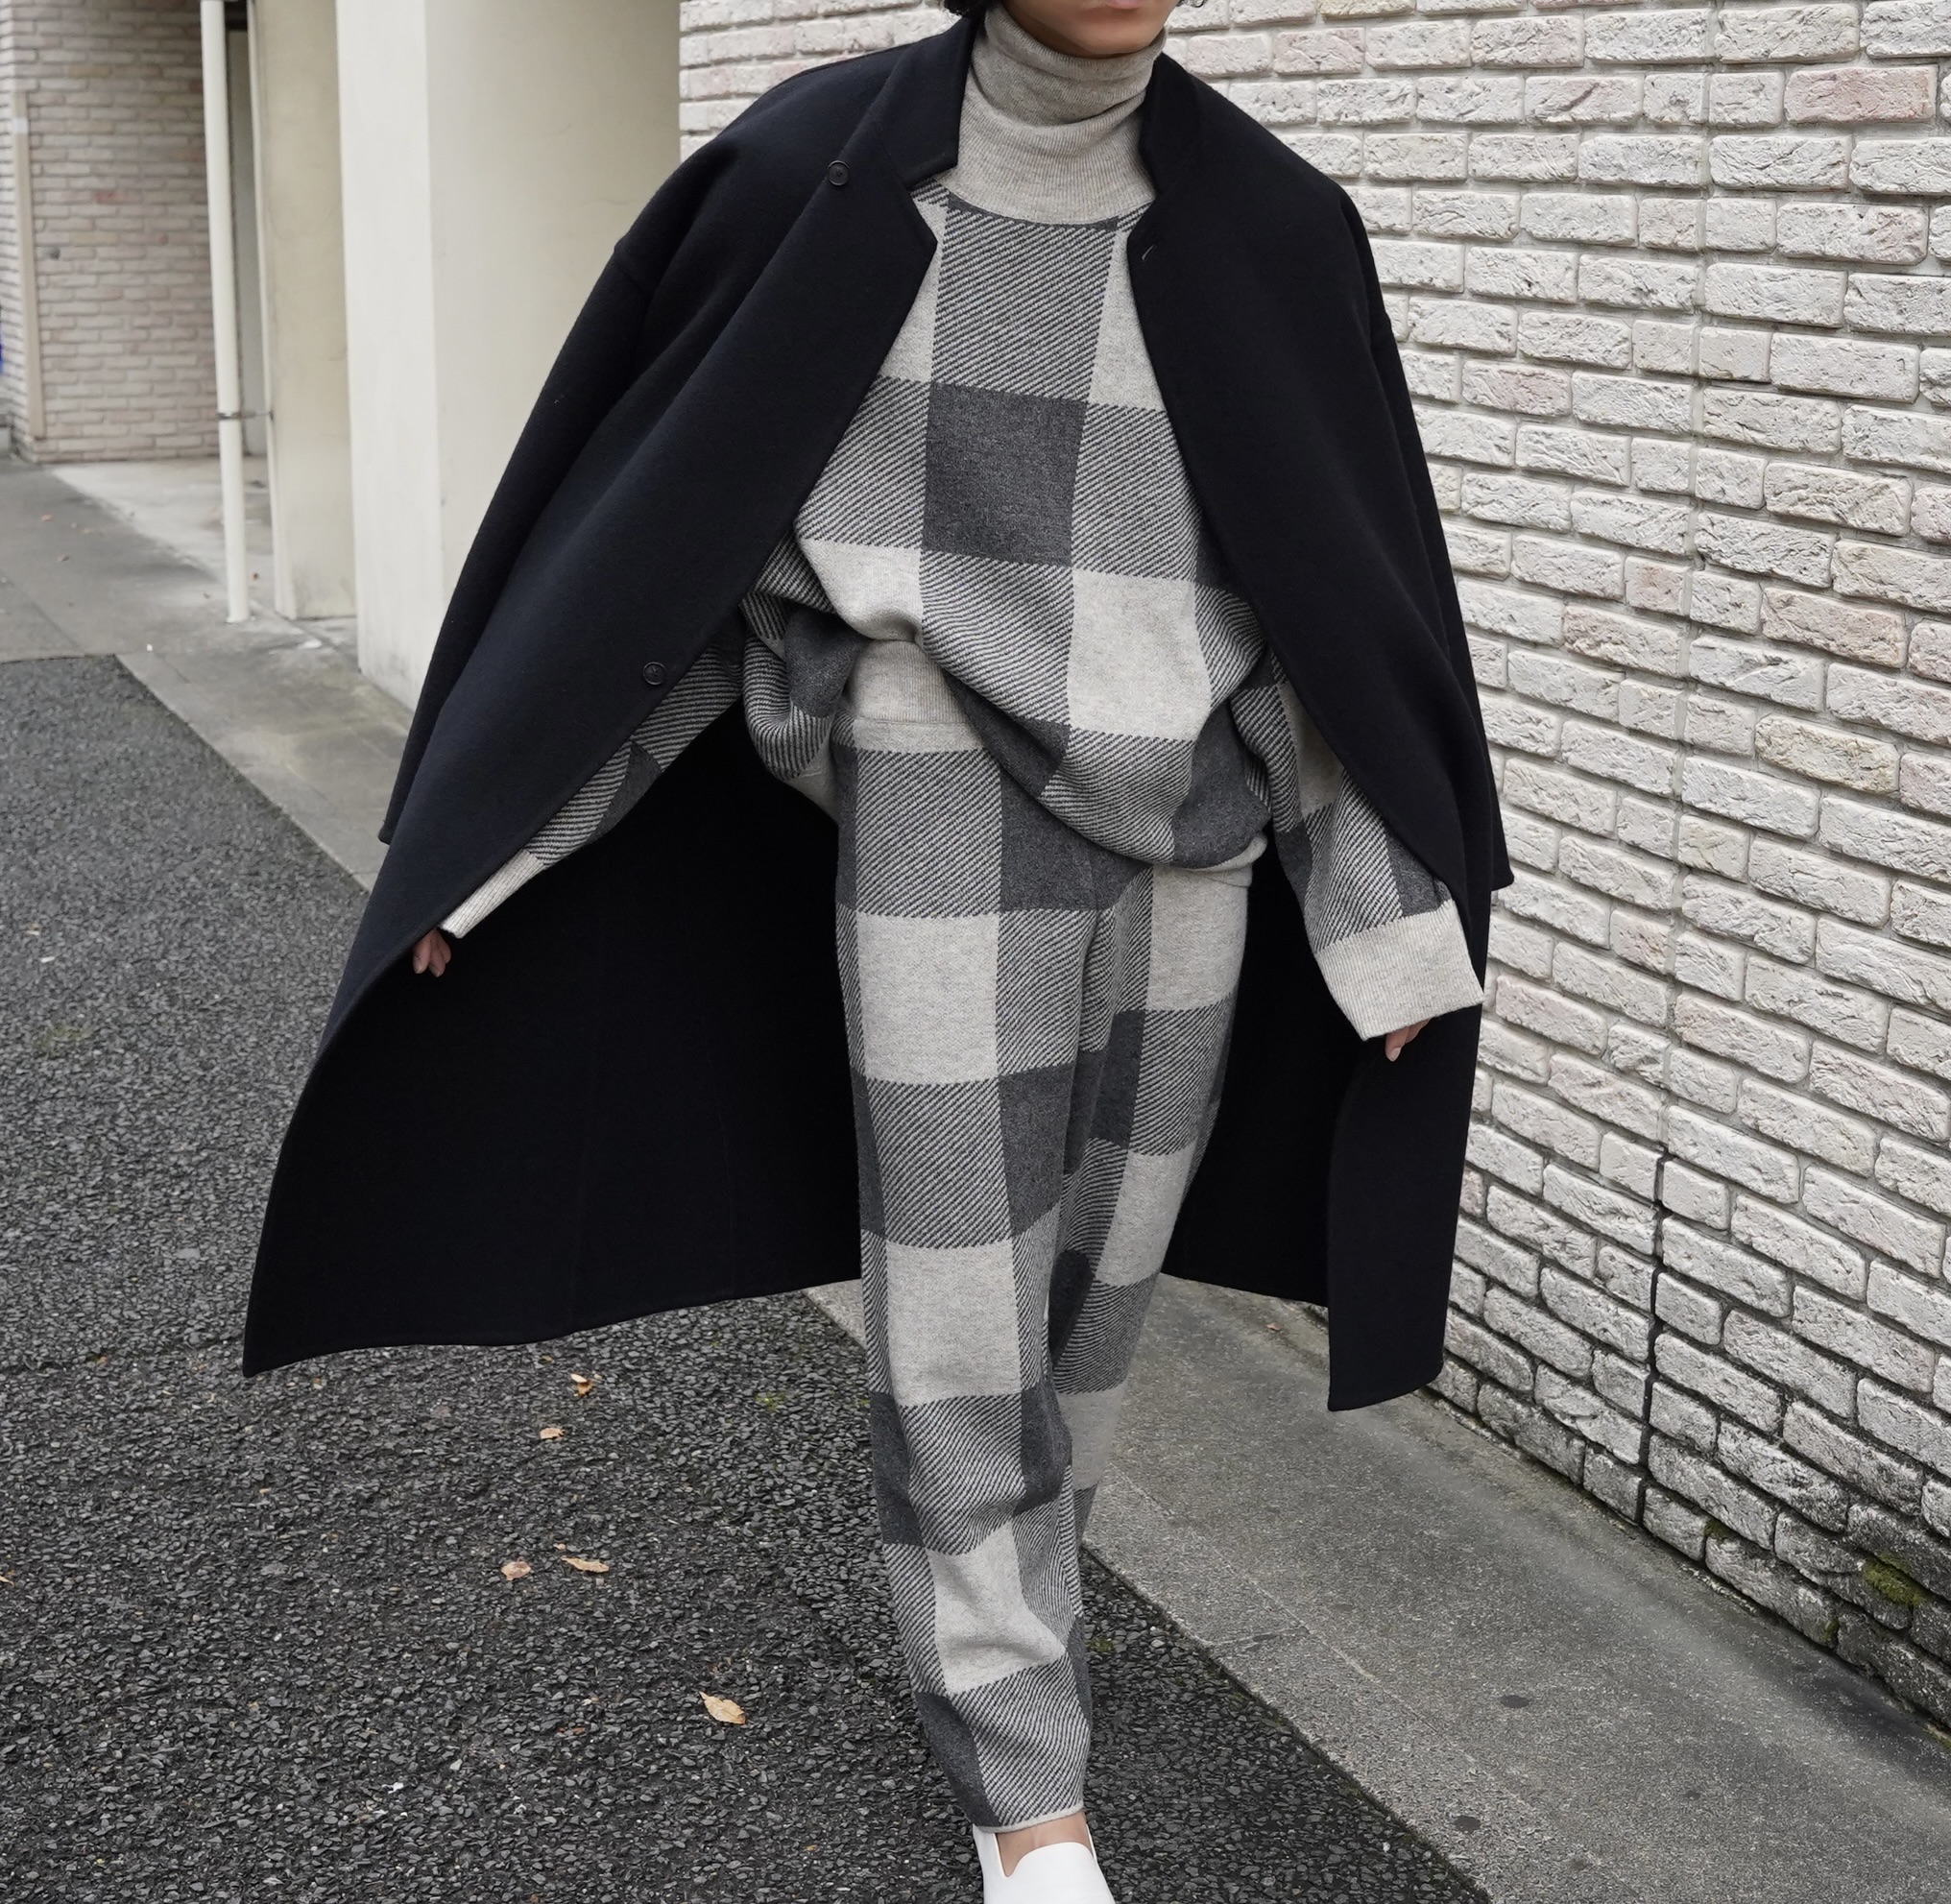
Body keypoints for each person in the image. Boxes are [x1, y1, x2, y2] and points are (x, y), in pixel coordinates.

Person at [245, 0, 1506, 1896]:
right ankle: (1028, 1787)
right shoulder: (814, 180)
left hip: (1195, 851)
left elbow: (1327, 612)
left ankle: (1018, 1623)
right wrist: (501, 850)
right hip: (933, 822)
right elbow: (670, 563)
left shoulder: (1270, 225)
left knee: (1089, 1320)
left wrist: (1381, 922)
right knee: (961, 1317)